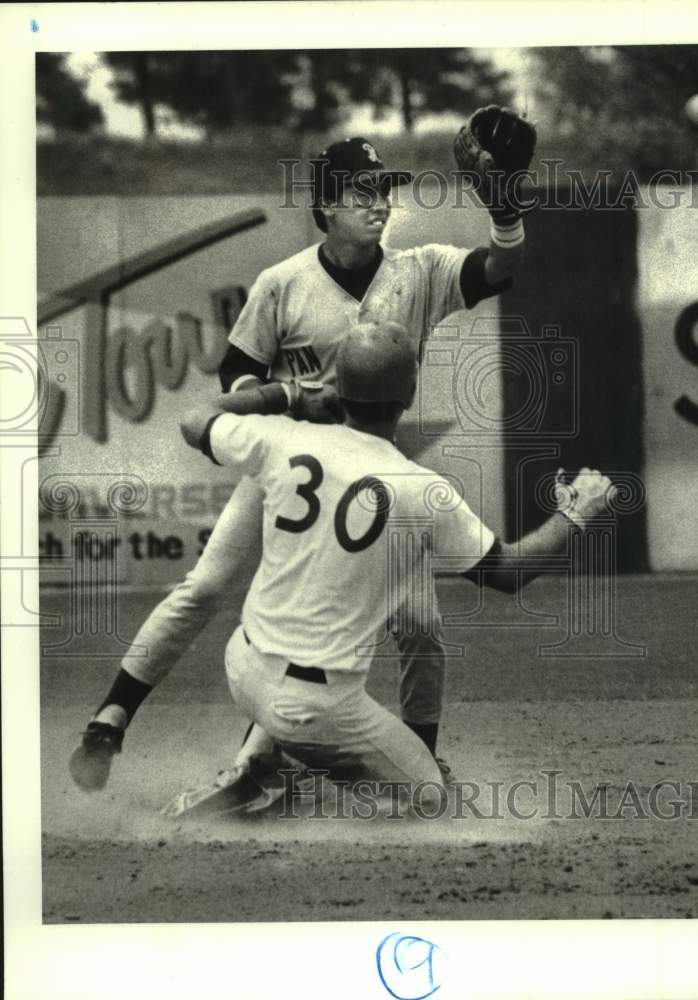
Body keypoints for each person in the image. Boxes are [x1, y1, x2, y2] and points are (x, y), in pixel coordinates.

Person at [68, 121, 534, 801]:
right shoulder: (283, 283)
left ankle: (414, 767)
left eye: (385, 190)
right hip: (292, 470)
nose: (379, 202)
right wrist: (291, 398)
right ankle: (112, 716)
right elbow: (231, 393)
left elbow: (502, 267)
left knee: (423, 627)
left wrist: (504, 208)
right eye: (362, 192)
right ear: (325, 208)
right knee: (203, 587)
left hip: (375, 481)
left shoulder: (422, 271)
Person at [163, 321, 613, 815]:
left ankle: (258, 767)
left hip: (242, 669)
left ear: (339, 387)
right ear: (410, 392)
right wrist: (577, 513)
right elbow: (507, 572)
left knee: (302, 626)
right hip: (315, 710)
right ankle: (290, 798)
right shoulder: (420, 488)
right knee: (433, 801)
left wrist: (285, 393)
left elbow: (193, 418)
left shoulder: (285, 441)